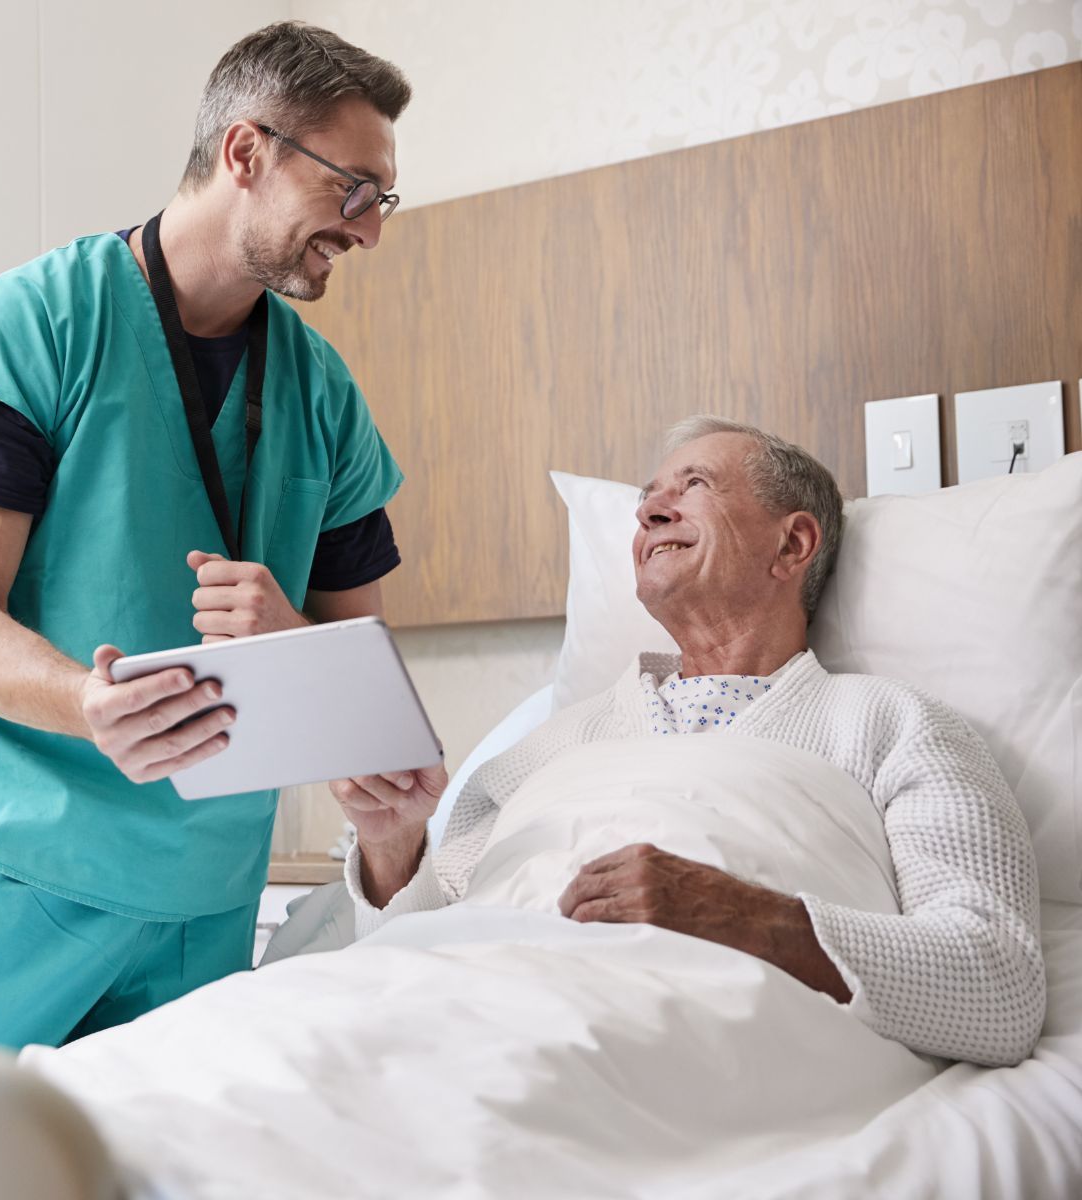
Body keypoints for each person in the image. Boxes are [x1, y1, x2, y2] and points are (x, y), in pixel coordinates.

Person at [0, 22, 414, 1050]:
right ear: (245, 153)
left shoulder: (327, 401)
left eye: (380, 201)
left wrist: (291, 638)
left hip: (203, 909)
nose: (368, 230)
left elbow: (362, 679)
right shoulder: (30, 328)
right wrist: (89, 703)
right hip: (12, 875)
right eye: (351, 189)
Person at [299, 415, 1045, 1066]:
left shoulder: (894, 726)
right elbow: (411, 946)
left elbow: (999, 985)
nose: (650, 509)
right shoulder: (553, 746)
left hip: (664, 1049)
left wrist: (747, 917)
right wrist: (394, 846)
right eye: (647, 496)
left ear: (792, 545)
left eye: (693, 486)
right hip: (457, 1021)